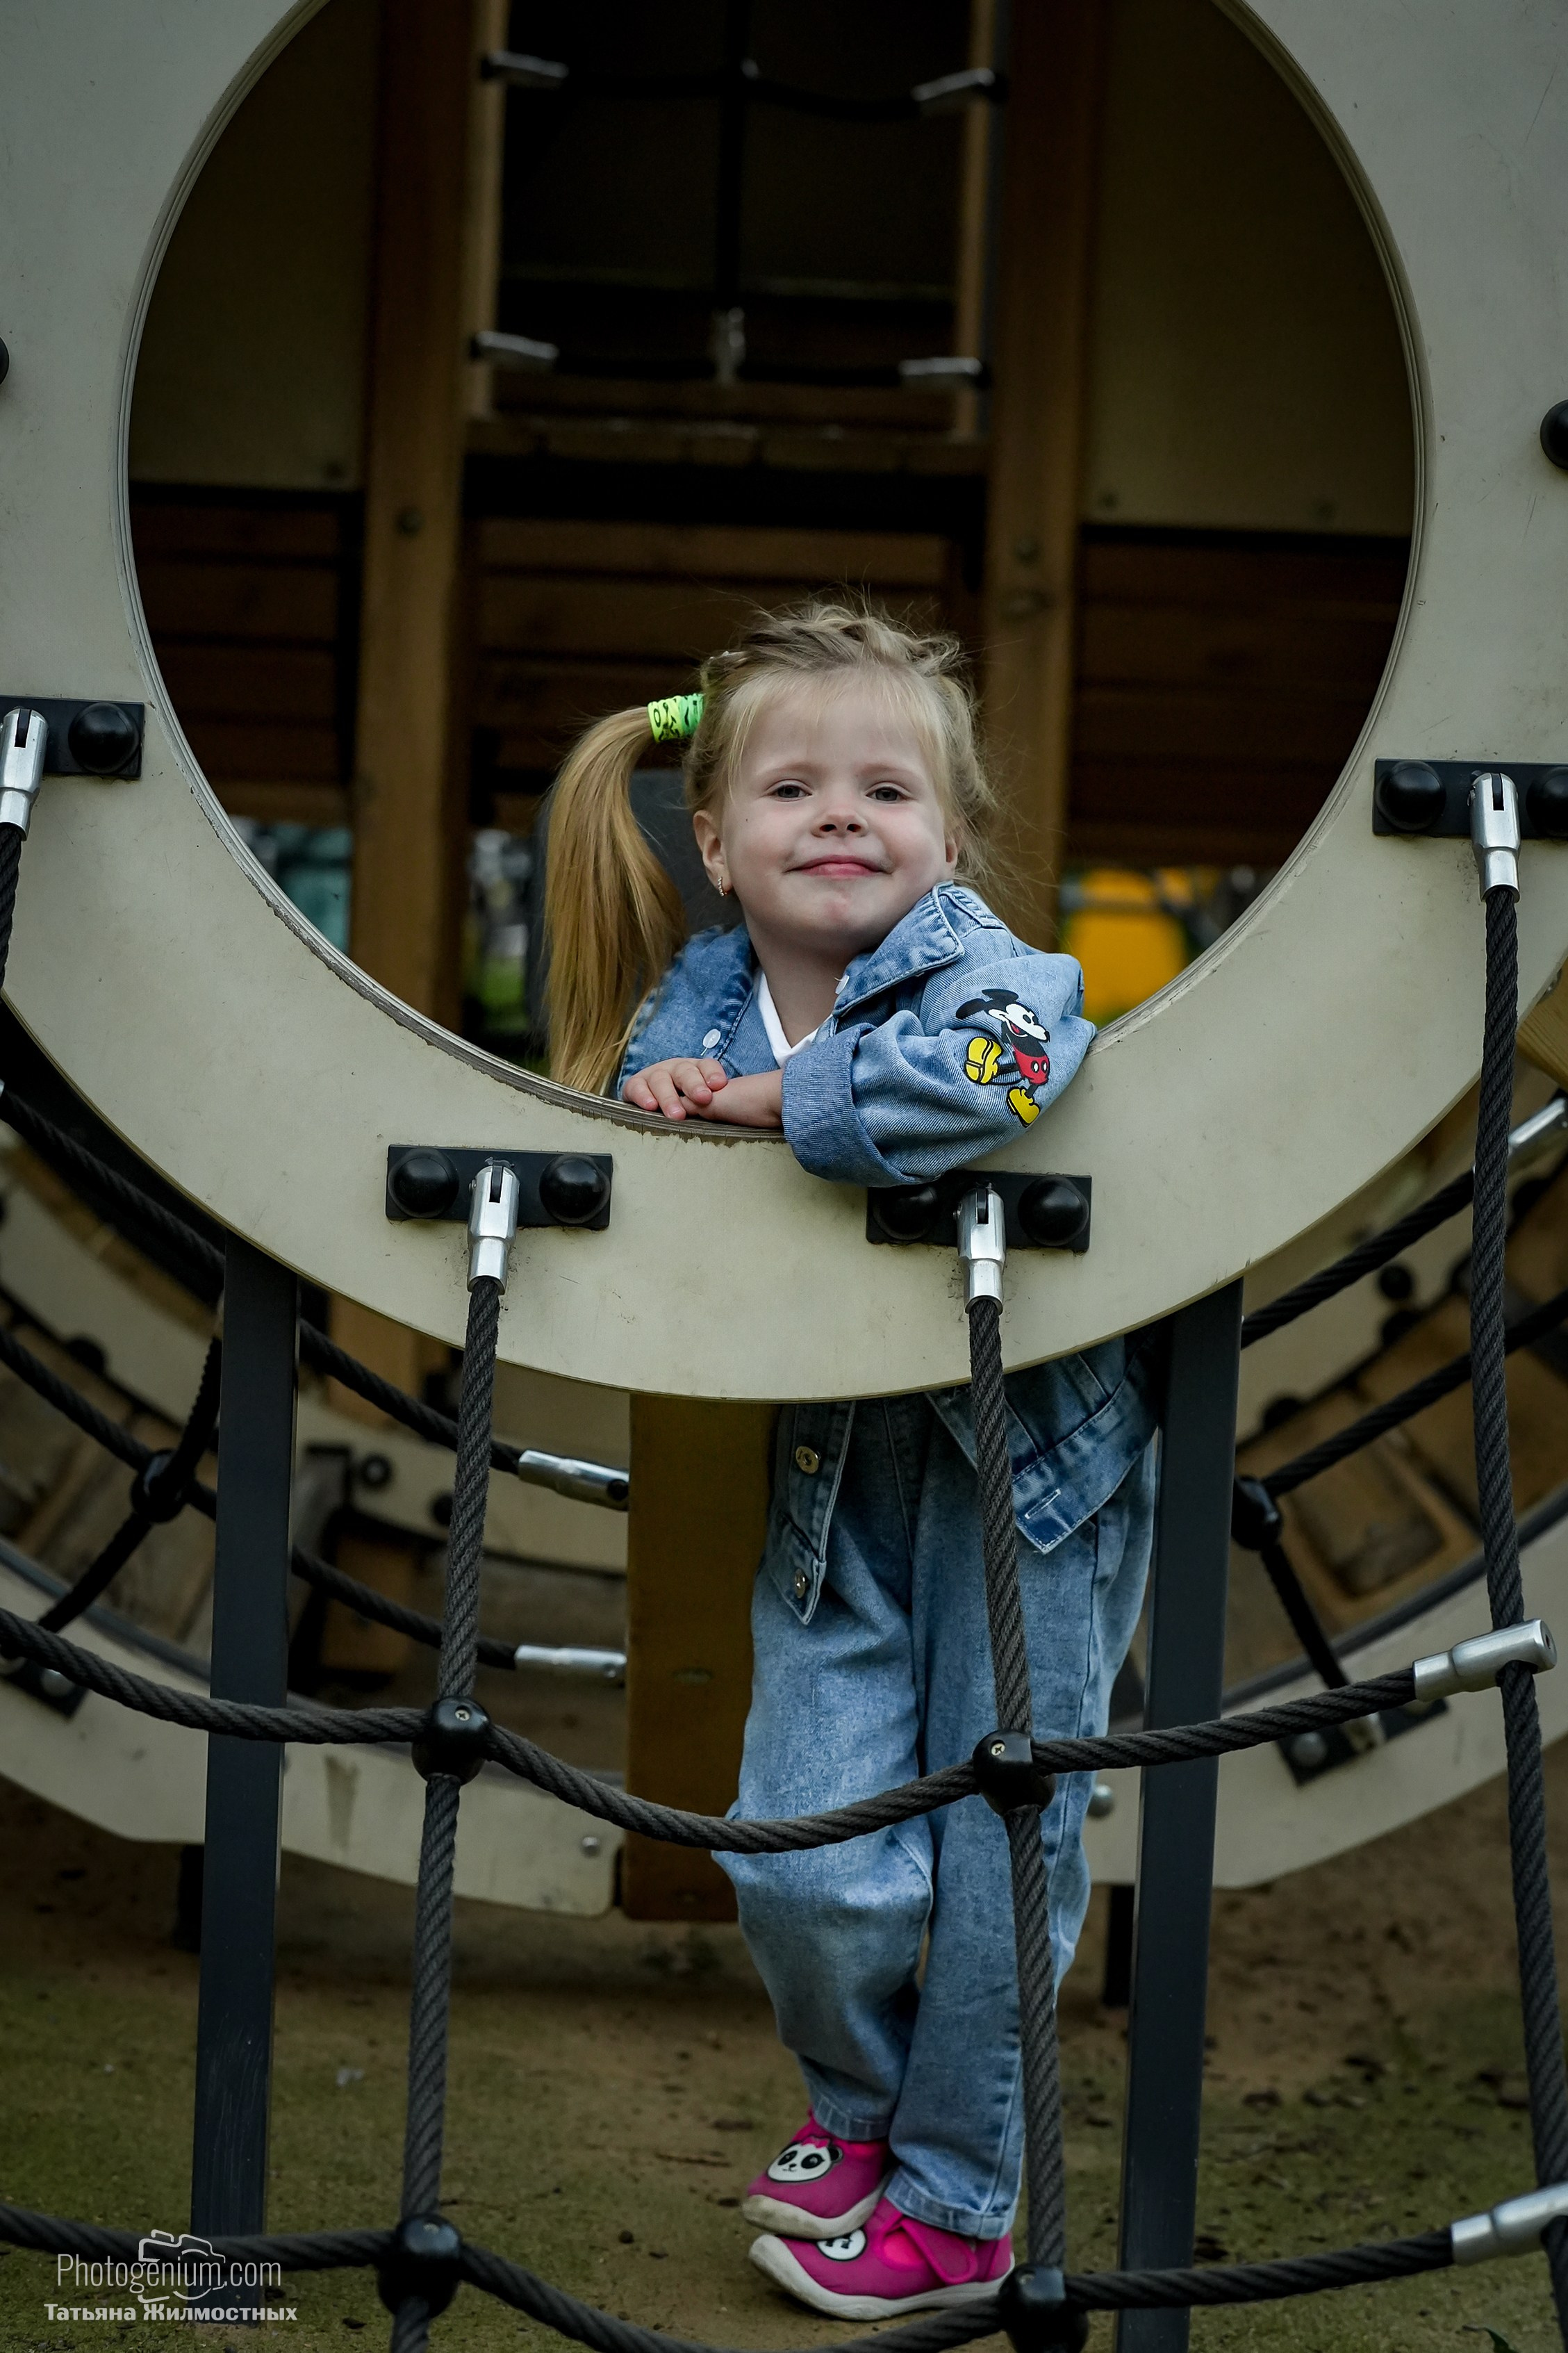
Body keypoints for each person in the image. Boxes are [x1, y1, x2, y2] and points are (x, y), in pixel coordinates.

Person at [543, 603, 1157, 2321]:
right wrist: (673, 1100)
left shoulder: (990, 972)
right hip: (831, 1463)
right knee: (800, 1841)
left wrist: (761, 1115)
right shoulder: (705, 1001)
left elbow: (1010, 1069)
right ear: (718, 845)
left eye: (885, 788)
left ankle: (960, 2196)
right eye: (792, 785)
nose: (840, 814)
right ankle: (864, 2113)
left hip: (1021, 1462)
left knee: (994, 1830)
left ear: (947, 839)